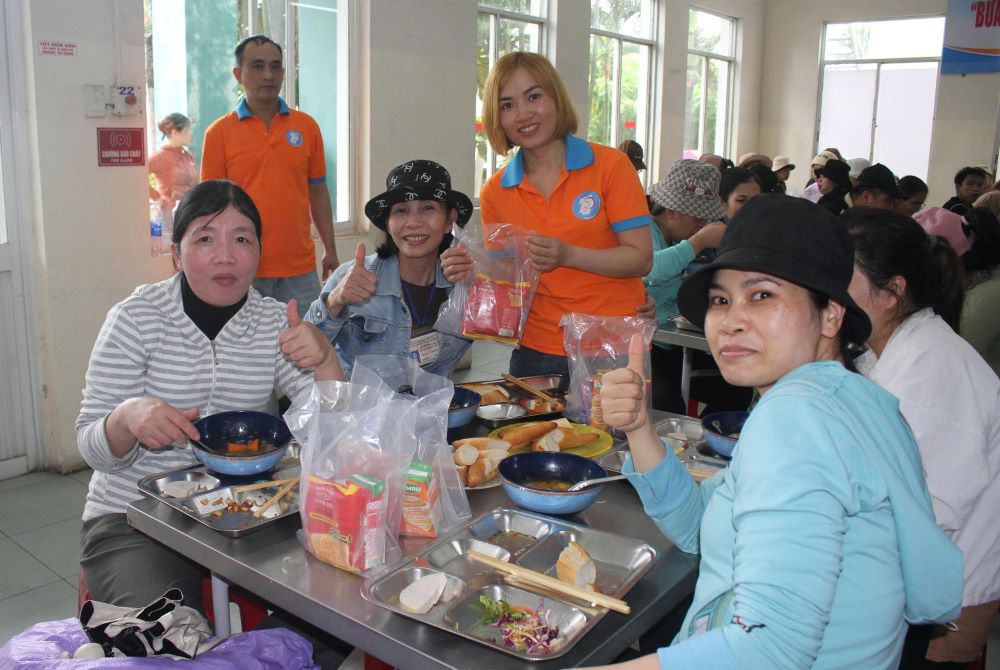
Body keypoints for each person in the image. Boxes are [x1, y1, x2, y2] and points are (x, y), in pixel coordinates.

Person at [591, 194, 962, 670]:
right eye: (721, 300)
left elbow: (768, 648)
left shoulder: (796, 419)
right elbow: (699, 529)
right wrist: (642, 429)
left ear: (831, 314)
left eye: (762, 295)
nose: (731, 321)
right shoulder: (855, 397)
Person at [77, 180, 344, 615]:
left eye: (242, 239)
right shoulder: (136, 318)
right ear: (177, 255)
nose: (226, 255)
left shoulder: (277, 321)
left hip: (253, 511)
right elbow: (92, 449)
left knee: (333, 614)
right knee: (169, 634)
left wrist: (326, 360)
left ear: (260, 252)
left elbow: (337, 432)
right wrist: (126, 418)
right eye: (205, 238)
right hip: (134, 517)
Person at [846, 208, 1000, 668]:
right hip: (920, 586)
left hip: (946, 604)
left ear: (892, 293)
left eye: (839, 276)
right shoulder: (887, 351)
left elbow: (925, 514)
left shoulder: (930, 369)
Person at [450, 51, 652, 377]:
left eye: (533, 96)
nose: (523, 114)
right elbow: (507, 274)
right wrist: (471, 267)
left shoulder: (610, 166)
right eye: (507, 105)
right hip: (537, 348)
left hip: (611, 345)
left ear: (555, 98)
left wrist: (568, 254)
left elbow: (641, 258)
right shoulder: (496, 190)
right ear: (496, 117)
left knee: (613, 430)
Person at [201, 35, 338, 319]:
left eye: (276, 67)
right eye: (258, 66)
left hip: (298, 268)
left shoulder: (307, 126)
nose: (268, 75)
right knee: (242, 353)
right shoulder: (219, 134)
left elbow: (318, 192)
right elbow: (208, 208)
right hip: (239, 265)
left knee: (305, 347)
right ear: (239, 74)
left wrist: (330, 249)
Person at [307, 159, 473, 378]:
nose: (413, 222)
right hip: (361, 409)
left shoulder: (461, 282)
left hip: (431, 408)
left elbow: (504, 328)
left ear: (450, 220)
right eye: (401, 210)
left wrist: (476, 289)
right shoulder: (353, 277)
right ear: (387, 222)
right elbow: (303, 355)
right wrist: (335, 301)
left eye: (428, 208)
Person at [643, 159, 727, 412]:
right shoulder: (642, 228)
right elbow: (650, 267)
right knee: (667, 407)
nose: (702, 225)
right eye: (697, 218)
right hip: (647, 344)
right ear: (671, 211)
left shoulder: (674, 238)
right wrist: (698, 241)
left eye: (706, 220)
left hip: (672, 339)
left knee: (732, 389)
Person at [148, 112, 197, 213]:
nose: (191, 134)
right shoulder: (159, 156)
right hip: (169, 213)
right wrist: (157, 198)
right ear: (175, 133)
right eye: (187, 130)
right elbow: (137, 176)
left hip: (190, 211)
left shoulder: (188, 156)